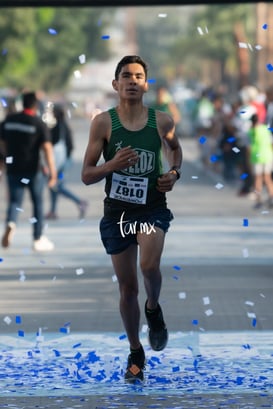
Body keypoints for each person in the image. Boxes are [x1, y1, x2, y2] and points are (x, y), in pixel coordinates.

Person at [81, 55, 182, 383]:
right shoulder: (103, 123)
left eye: (139, 76)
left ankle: (153, 308)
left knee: (148, 267)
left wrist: (174, 173)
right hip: (117, 213)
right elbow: (86, 175)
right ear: (116, 84)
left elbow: (174, 150)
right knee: (127, 289)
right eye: (126, 76)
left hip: (151, 207)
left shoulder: (162, 121)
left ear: (146, 84)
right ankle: (135, 350)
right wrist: (111, 165)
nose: (133, 81)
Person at [0, 91, 56, 251]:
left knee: (14, 202)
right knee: (37, 203)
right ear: (35, 105)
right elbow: (47, 149)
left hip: (13, 169)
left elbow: (1, 143)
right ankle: (37, 238)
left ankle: (11, 222)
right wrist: (52, 172)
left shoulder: (8, 121)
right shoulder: (38, 123)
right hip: (33, 170)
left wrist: (4, 160)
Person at [45, 104, 88, 220]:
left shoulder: (58, 128)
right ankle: (53, 211)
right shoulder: (64, 126)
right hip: (65, 161)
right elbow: (70, 146)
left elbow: (53, 145)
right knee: (54, 185)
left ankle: (80, 202)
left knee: (57, 185)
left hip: (61, 163)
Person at [247, 113, 273, 209]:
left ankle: (259, 200)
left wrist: (248, 160)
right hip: (268, 156)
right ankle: (271, 198)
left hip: (256, 157)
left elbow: (248, 148)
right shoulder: (266, 129)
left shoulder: (251, 132)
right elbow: (271, 143)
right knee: (267, 178)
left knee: (258, 179)